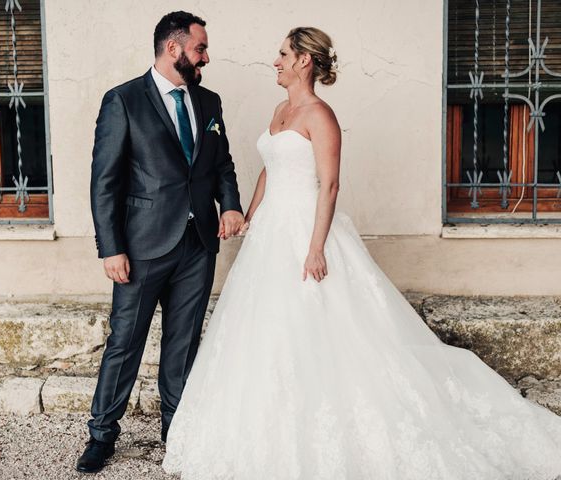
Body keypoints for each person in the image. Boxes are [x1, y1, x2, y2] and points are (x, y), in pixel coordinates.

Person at [162, 27, 561, 479]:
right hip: (270, 232)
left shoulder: (321, 115)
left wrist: (315, 248)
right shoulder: (279, 111)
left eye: (282, 54)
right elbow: (269, 172)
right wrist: (248, 216)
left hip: (306, 230)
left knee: (322, 329)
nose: (274, 62)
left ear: (303, 62)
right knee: (266, 329)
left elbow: (329, 185)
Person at [77, 11, 244, 474]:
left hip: (197, 244)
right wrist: (110, 247)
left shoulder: (209, 102)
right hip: (141, 246)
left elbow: (222, 163)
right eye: (200, 48)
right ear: (174, 49)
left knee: (183, 342)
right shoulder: (123, 101)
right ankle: (102, 434)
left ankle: (178, 429)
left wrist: (229, 204)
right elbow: (104, 182)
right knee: (124, 343)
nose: (206, 57)